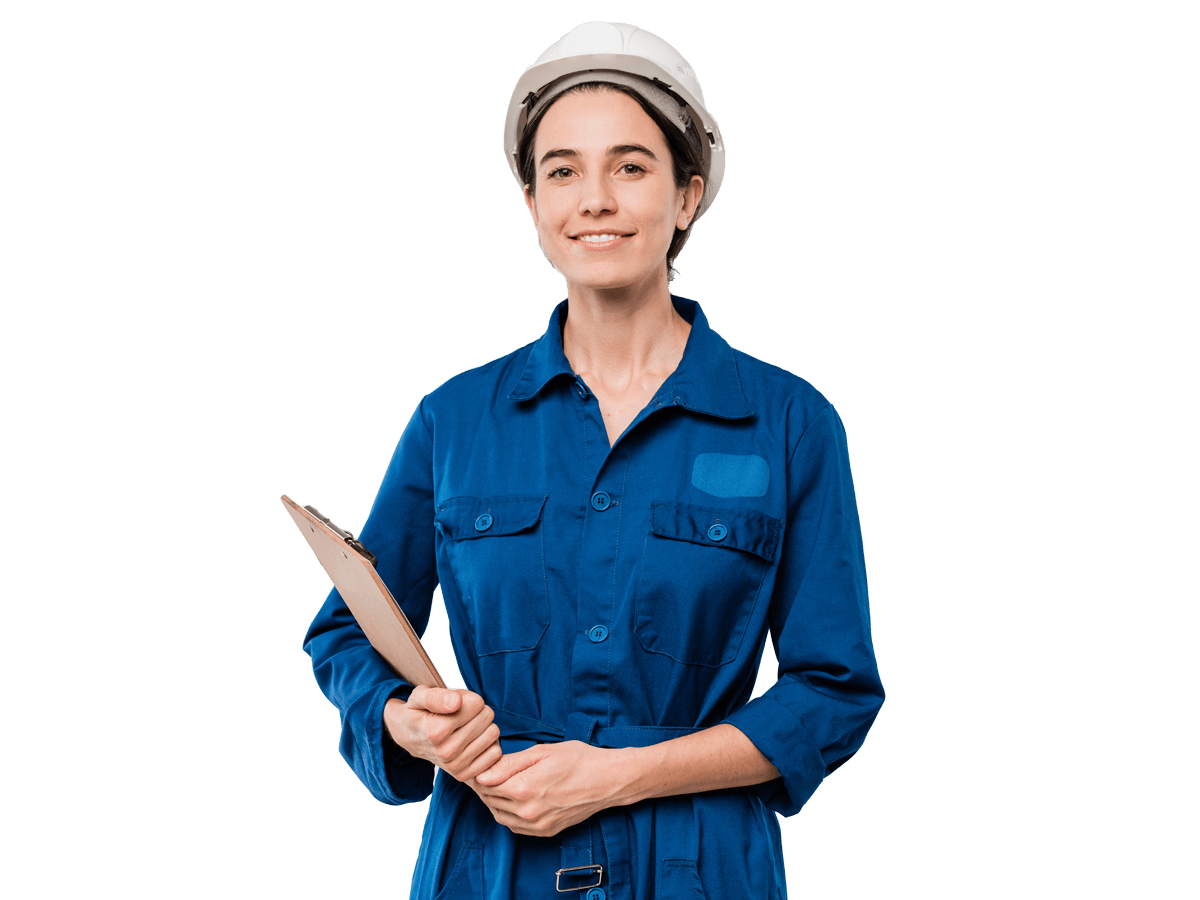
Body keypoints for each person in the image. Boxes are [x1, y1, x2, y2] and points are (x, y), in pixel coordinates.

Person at [303, 21, 883, 899]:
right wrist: (408, 723)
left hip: (702, 866)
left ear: (688, 196)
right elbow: (346, 630)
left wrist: (618, 777)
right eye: (563, 170)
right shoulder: (452, 420)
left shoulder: (793, 422)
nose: (595, 199)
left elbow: (832, 691)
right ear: (533, 204)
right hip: (489, 860)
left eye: (632, 166)